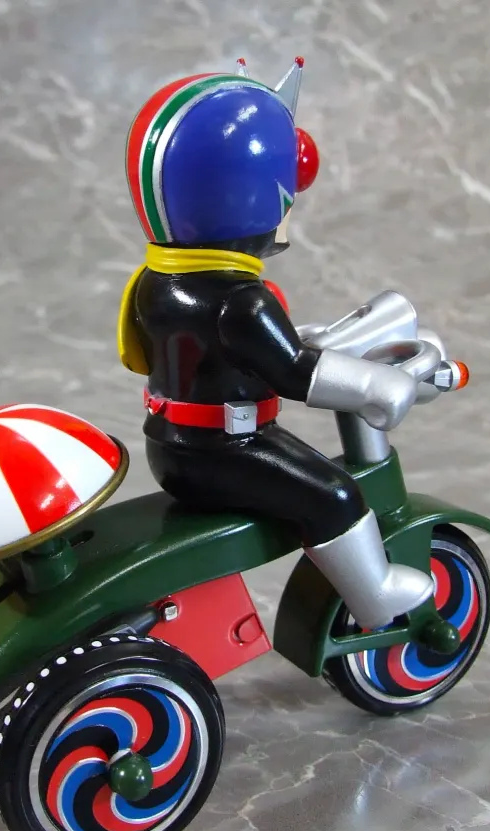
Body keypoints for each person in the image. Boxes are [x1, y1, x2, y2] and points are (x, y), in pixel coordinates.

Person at [117, 58, 433, 632]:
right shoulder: (243, 302)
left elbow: (226, 356)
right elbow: (294, 372)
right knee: (333, 496)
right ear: (253, 199)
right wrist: (378, 384)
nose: (286, 218)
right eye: (285, 203)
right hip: (229, 452)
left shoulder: (156, 283)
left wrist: (301, 341)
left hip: (171, 450)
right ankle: (377, 595)